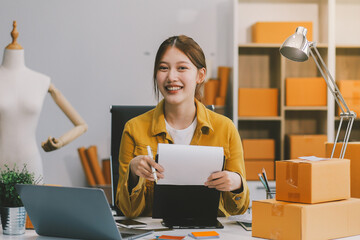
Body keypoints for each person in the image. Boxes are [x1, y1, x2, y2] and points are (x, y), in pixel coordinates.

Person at [116, 35, 249, 218]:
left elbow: (238, 209)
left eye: (182, 68)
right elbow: (127, 211)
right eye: (163, 68)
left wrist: (236, 183)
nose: (171, 77)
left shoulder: (225, 128)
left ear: (200, 75)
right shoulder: (133, 129)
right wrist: (133, 173)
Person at [0, 21, 88, 180]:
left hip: (30, 164)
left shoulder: (41, 81)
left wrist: (59, 142)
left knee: (32, 205)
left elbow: (81, 124)